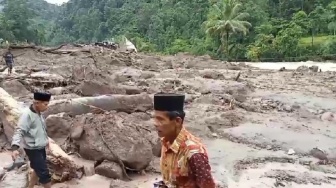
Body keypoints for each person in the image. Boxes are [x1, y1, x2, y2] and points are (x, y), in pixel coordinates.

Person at [153, 93, 216, 188]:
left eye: (160, 119)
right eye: (155, 119)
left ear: (177, 121)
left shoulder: (194, 154)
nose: (155, 124)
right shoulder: (166, 142)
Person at [11, 92, 52, 188]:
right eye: (45, 104)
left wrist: (47, 142)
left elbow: (41, 130)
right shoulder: (27, 115)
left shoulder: (39, 113)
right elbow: (19, 131)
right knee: (44, 174)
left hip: (40, 147)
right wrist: (15, 148)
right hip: (33, 149)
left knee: (37, 170)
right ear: (37, 103)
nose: (47, 107)